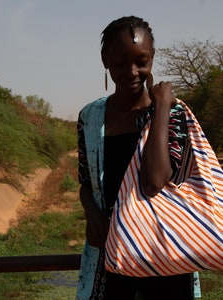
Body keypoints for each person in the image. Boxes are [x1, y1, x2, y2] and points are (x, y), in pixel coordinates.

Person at [76, 16, 196, 300]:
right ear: (105, 59)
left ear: (152, 58)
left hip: (164, 252)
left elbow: (155, 181)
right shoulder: (90, 117)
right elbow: (85, 181)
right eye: (120, 62)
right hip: (110, 253)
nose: (131, 71)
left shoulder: (173, 114)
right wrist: (92, 214)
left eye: (141, 61)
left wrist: (162, 108)